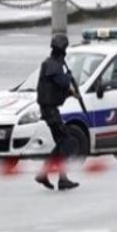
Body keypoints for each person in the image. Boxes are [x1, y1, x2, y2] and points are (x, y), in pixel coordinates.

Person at [34, 34, 81, 191]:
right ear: (62, 52)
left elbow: (54, 88)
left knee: (62, 143)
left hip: (50, 110)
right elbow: (62, 82)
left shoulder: (50, 65)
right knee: (66, 141)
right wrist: (69, 76)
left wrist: (71, 93)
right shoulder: (53, 66)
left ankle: (60, 178)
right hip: (50, 111)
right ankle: (46, 174)